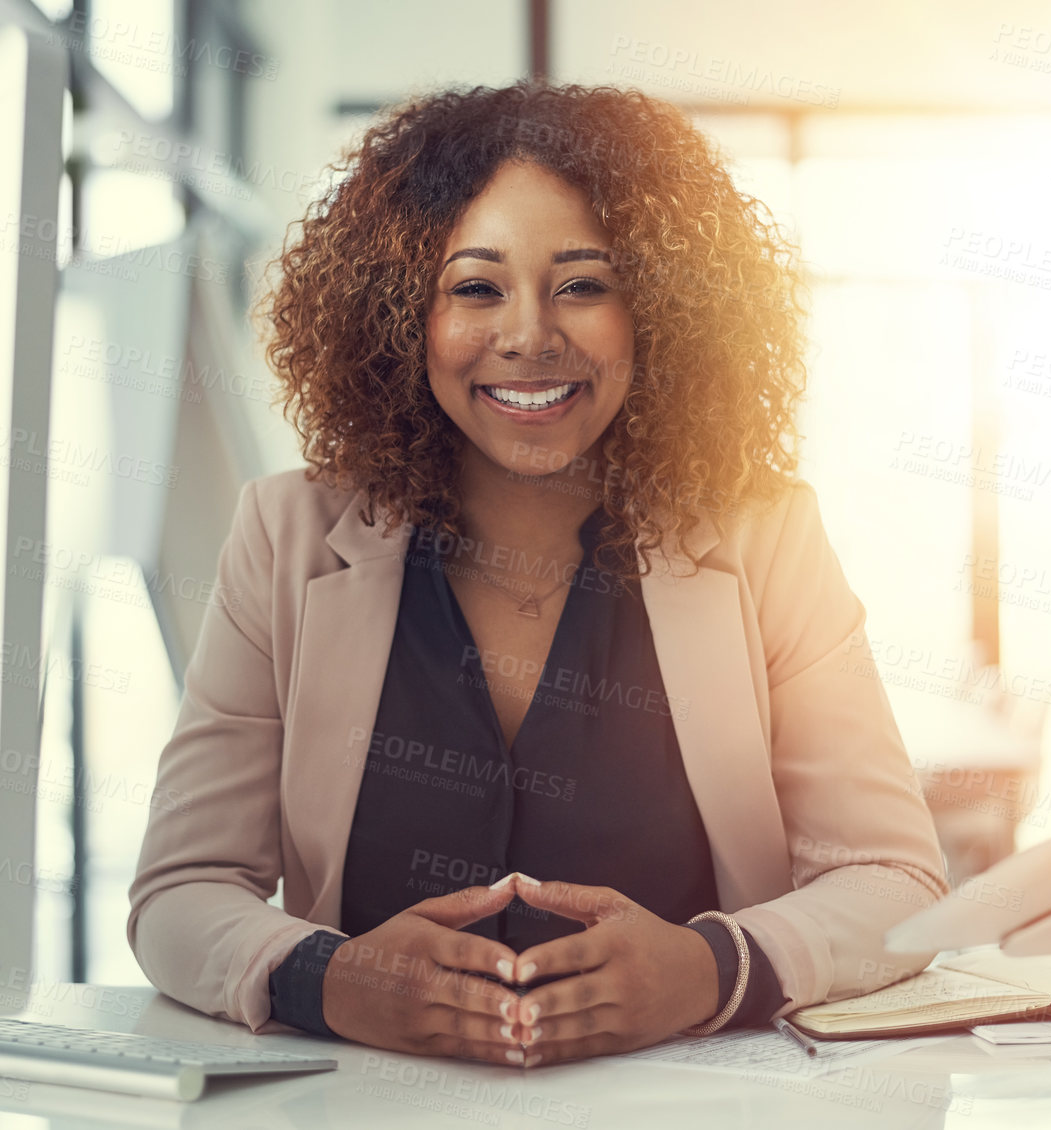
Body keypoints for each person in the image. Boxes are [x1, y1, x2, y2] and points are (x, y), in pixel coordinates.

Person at [127, 80, 948, 1069]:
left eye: (584, 284)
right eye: (474, 287)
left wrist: (711, 966)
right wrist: (325, 978)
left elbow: (893, 876)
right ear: (397, 315)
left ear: (659, 309)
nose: (528, 335)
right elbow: (179, 891)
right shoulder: (285, 534)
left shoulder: (766, 537)